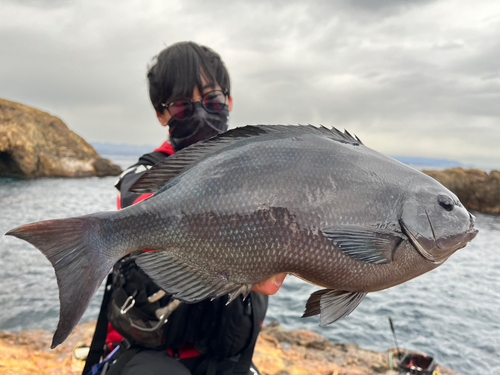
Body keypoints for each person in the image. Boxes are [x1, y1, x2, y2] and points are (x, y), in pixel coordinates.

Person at [83, 42, 286, 375]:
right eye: (181, 106)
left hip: (227, 358)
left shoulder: (257, 169)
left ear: (229, 102)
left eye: (213, 100)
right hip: (150, 355)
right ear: (162, 114)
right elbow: (141, 204)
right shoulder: (143, 176)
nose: (202, 112)